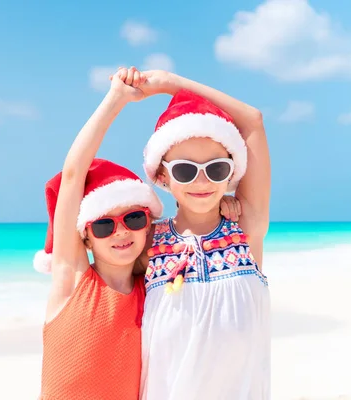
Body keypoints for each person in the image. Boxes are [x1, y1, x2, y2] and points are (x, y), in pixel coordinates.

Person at [33, 68, 243, 400]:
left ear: (148, 225)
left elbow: (191, 227)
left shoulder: (154, 291)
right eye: (103, 225)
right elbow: (73, 175)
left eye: (133, 218)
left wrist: (220, 202)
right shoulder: (73, 279)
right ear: (85, 236)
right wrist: (115, 99)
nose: (120, 232)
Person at [132, 67, 272, 400]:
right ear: (163, 177)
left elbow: (252, 120)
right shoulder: (146, 241)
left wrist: (172, 84)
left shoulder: (245, 228)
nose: (202, 182)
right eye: (185, 170)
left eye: (216, 169)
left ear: (232, 172)